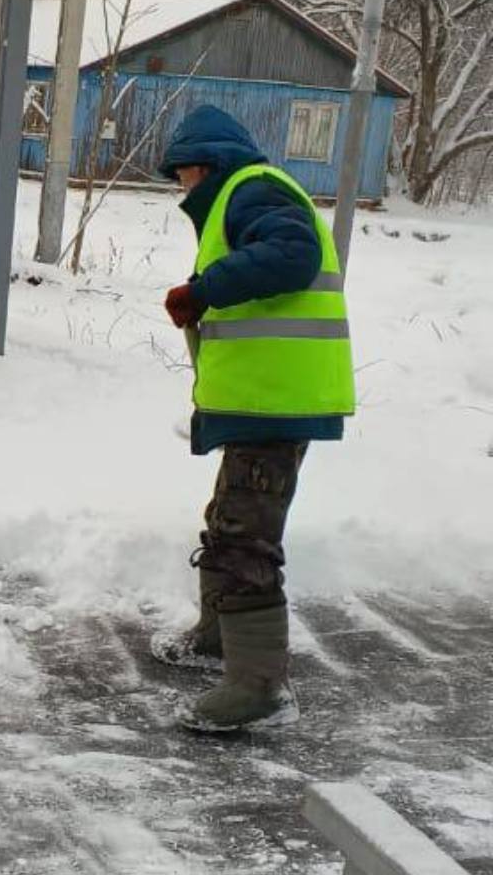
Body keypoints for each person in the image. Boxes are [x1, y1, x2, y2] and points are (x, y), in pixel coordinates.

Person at [150, 105, 355, 732]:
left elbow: (292, 254)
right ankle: (219, 641)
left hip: (278, 401)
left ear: (204, 164)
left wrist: (206, 288)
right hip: (264, 399)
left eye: (183, 173)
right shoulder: (245, 194)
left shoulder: (253, 189)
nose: (182, 186)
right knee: (229, 520)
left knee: (245, 538)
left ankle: (259, 688)